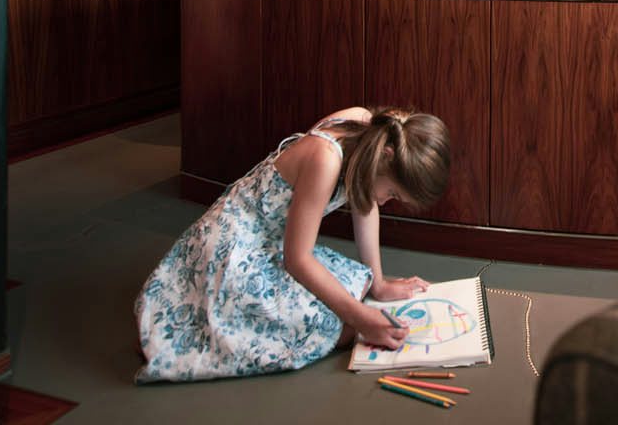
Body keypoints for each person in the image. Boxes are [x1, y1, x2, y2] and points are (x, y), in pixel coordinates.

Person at [134, 106, 451, 382]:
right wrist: (358, 318)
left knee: (357, 291)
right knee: (337, 326)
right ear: (387, 156)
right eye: (393, 193)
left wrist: (379, 284)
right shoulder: (326, 159)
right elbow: (297, 260)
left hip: (273, 242)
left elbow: (366, 202)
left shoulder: (368, 130)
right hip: (234, 247)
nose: (386, 200)